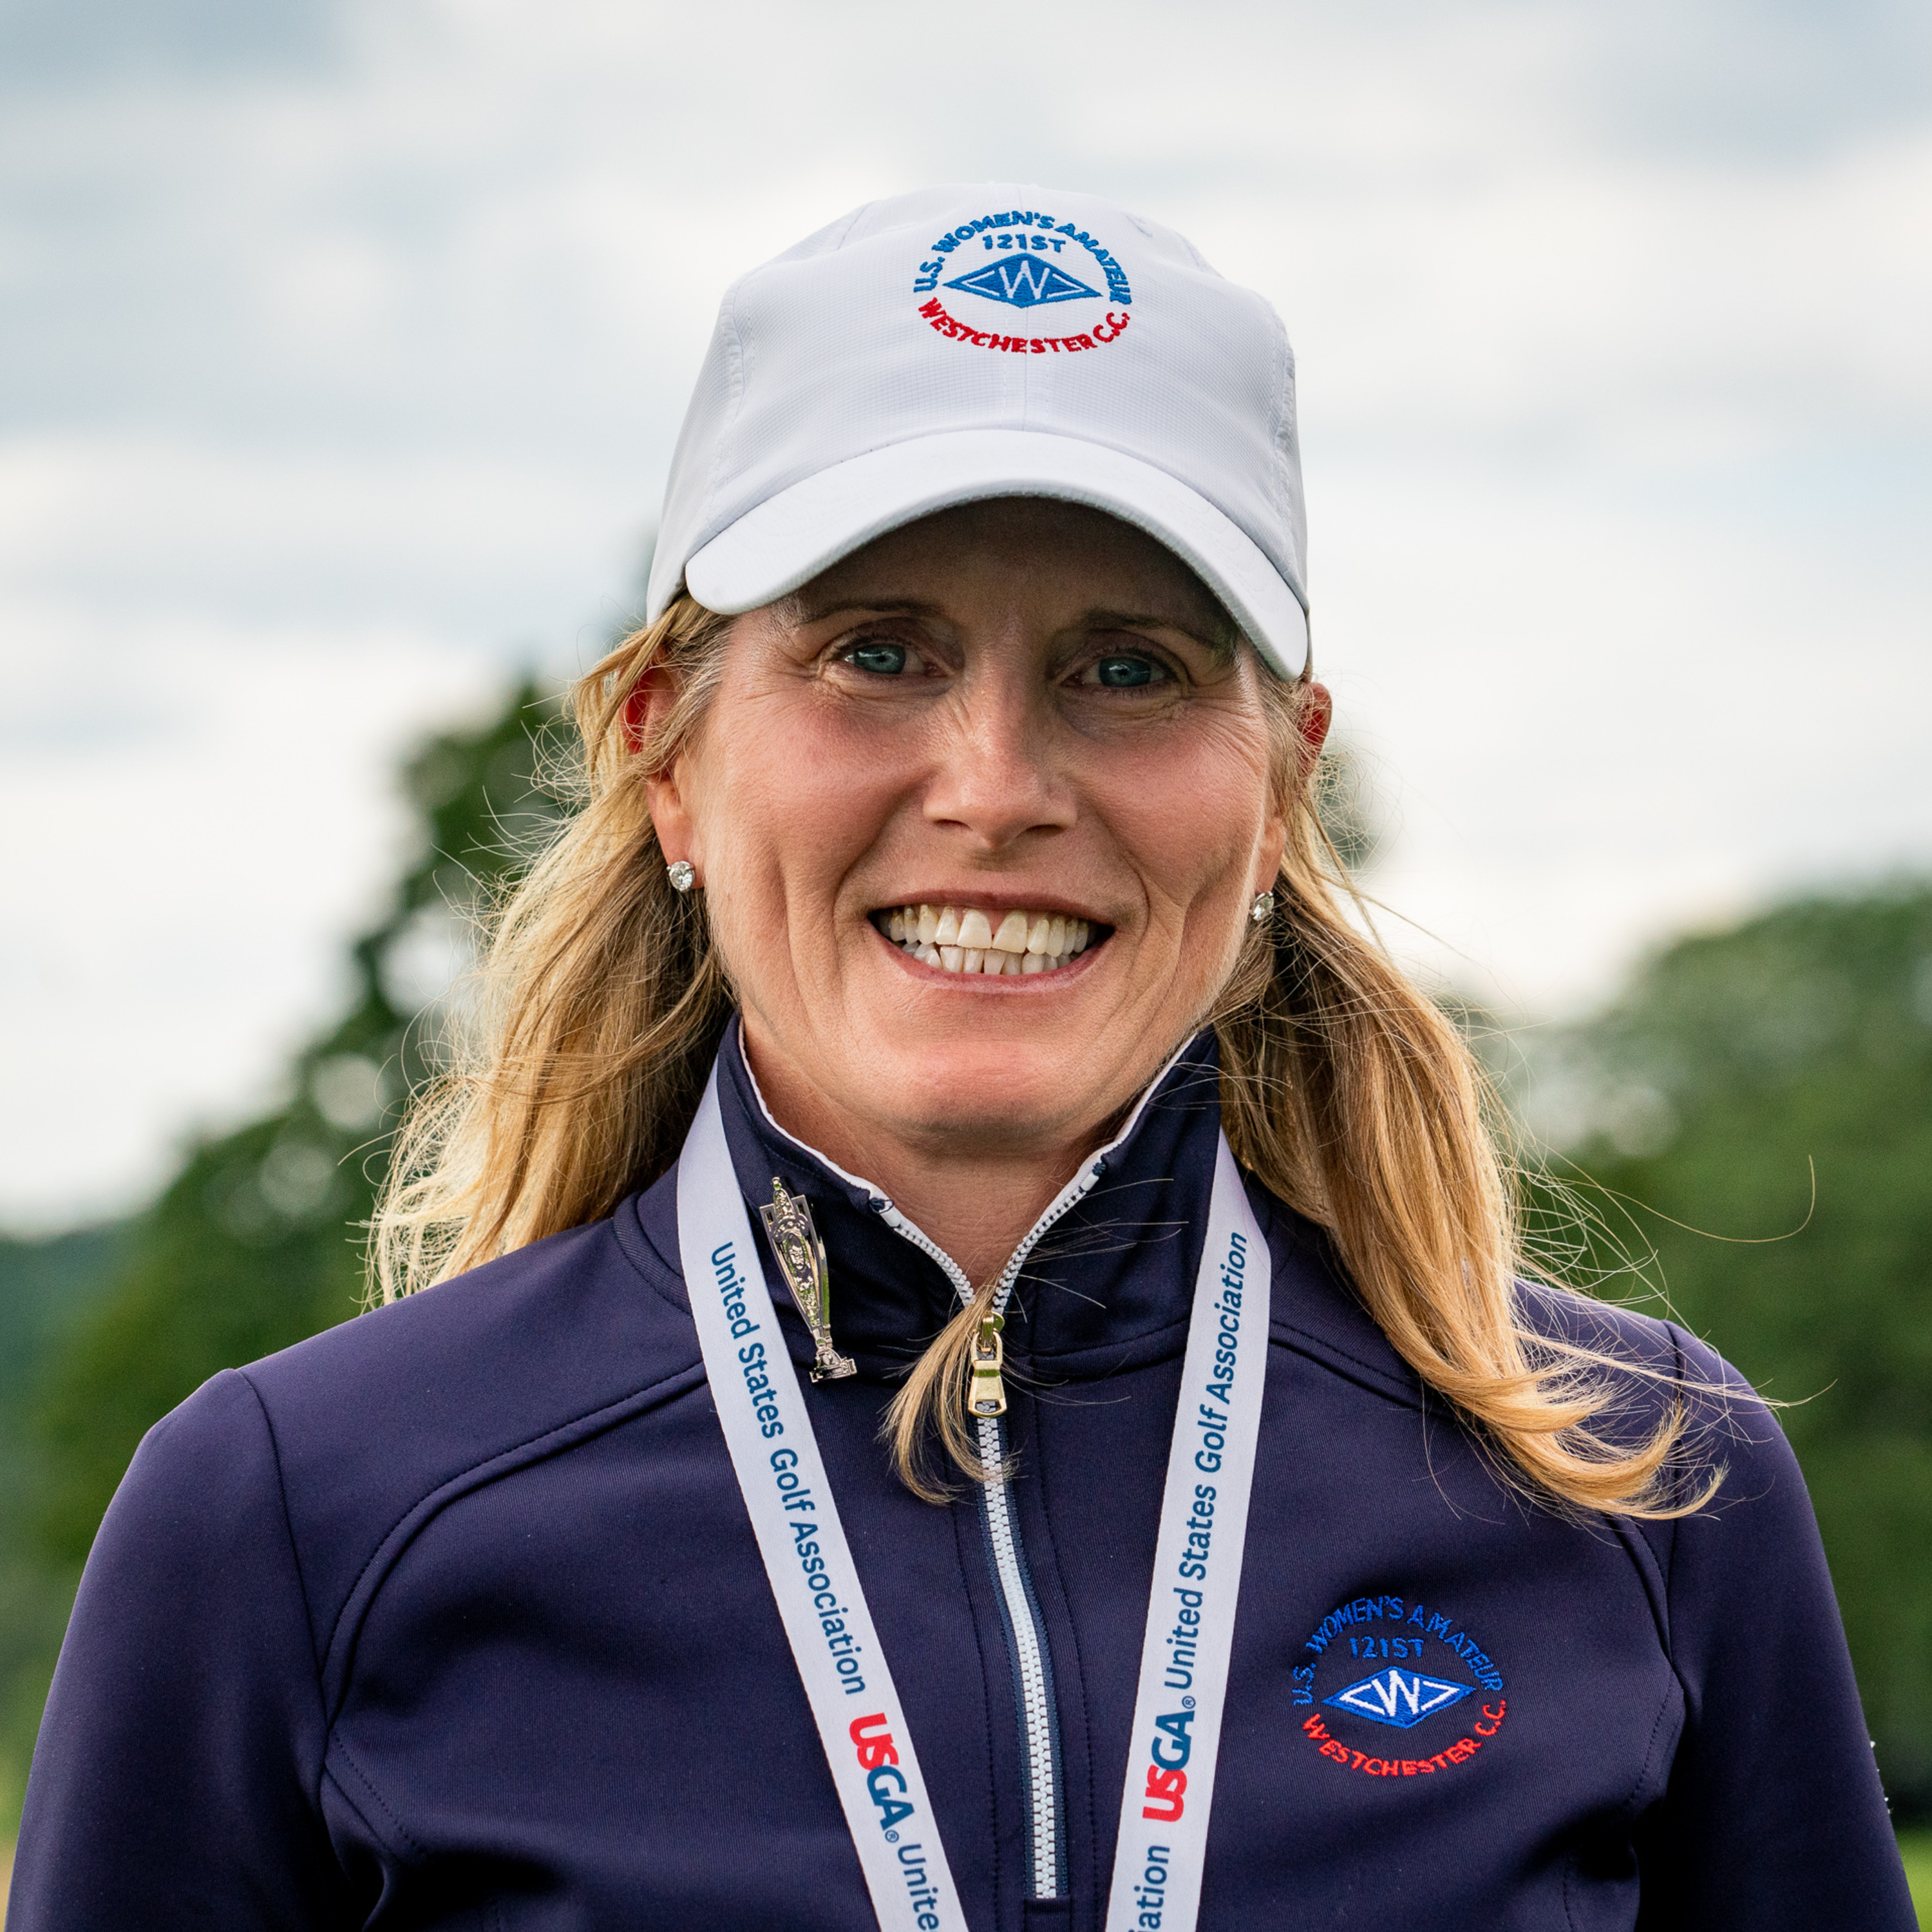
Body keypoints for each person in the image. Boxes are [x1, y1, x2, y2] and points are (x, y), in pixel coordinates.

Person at [11, 185, 1915, 1932]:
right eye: (878, 653)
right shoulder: (293, 1517)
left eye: (1130, 669)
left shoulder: (1637, 1485)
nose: (995, 788)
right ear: (671, 751)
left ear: (1281, 786)